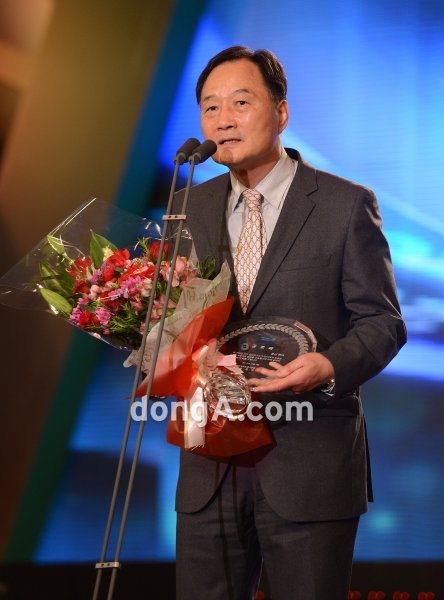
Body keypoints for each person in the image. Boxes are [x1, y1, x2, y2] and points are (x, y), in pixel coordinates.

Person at [171, 46, 406, 600]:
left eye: (240, 102)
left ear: (280, 112)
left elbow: (383, 322)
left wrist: (327, 366)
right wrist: (161, 330)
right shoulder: (188, 206)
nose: (223, 120)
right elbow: (175, 323)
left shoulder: (345, 205)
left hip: (309, 459)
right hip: (210, 466)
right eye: (209, 107)